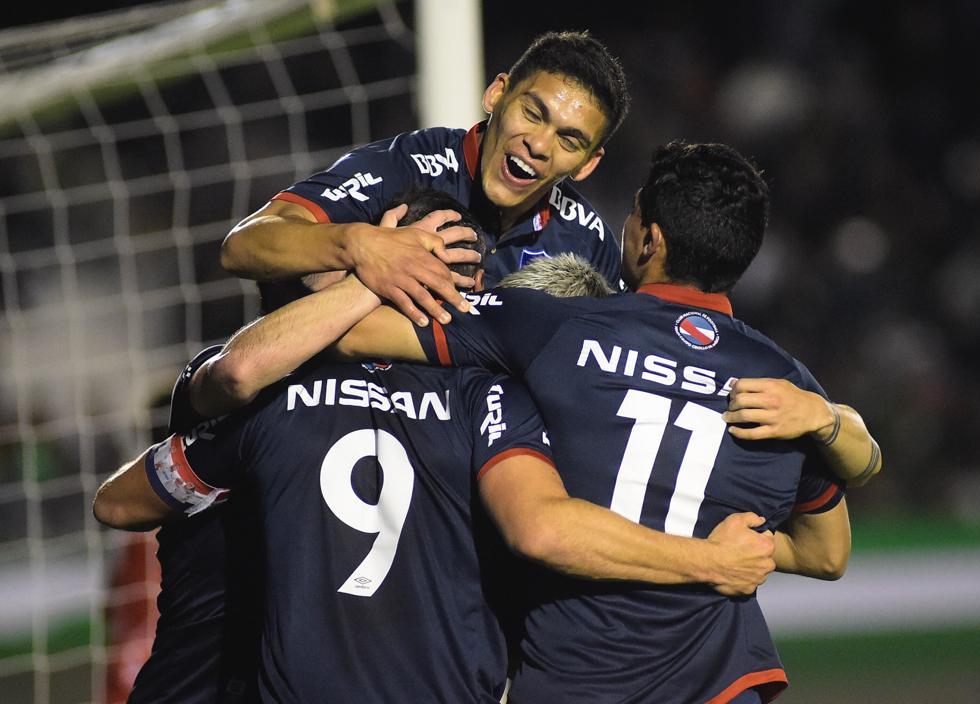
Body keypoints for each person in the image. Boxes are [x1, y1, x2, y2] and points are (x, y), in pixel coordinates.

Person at [94, 190, 777, 703]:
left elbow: (120, 501)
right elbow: (541, 528)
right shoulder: (490, 400)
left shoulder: (271, 388)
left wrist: (367, 271)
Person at [332, 142, 880, 702]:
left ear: (651, 239)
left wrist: (375, 248)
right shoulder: (785, 388)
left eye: (636, 212)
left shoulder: (549, 327)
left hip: (575, 679)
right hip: (720, 685)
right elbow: (826, 555)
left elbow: (353, 332)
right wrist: (741, 547)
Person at [219, 30, 629, 327]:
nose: (539, 145)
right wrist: (361, 245)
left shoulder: (587, 242)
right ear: (497, 95)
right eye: (533, 113)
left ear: (587, 164)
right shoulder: (407, 166)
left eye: (569, 140)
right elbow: (243, 245)